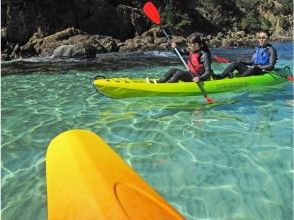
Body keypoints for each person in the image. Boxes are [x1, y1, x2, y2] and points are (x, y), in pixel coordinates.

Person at [146, 34, 212, 83]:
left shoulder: (204, 55)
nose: (188, 46)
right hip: (191, 75)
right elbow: (179, 53)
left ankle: (169, 85)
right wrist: (175, 48)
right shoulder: (190, 50)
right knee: (173, 70)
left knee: (179, 73)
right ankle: (159, 82)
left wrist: (199, 78)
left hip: (199, 78)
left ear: (196, 45)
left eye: (189, 44)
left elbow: (208, 73)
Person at [212, 30, 277, 79]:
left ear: (268, 38)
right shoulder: (258, 49)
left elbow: (271, 65)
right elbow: (252, 62)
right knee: (236, 63)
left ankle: (240, 79)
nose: (261, 39)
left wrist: (258, 67)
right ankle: (220, 76)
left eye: (263, 37)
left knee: (254, 67)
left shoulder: (271, 50)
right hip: (253, 69)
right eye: (259, 38)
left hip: (263, 71)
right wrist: (242, 62)